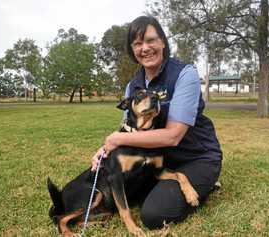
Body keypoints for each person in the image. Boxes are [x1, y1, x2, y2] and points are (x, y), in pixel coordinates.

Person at [91, 15, 222, 229]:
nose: (145, 48)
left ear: (162, 41)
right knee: (127, 194)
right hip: (157, 162)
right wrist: (104, 149)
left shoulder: (184, 74)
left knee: (153, 215)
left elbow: (173, 136)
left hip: (197, 158)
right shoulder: (132, 86)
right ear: (132, 50)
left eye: (151, 40)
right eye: (138, 43)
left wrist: (116, 138)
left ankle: (207, 182)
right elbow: (128, 131)